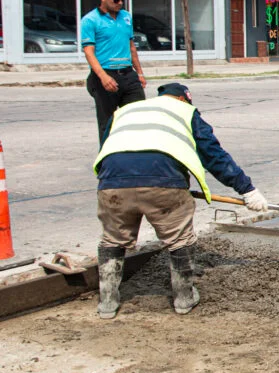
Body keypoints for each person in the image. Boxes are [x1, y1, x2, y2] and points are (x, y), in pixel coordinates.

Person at [92, 83, 268, 319]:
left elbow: (107, 149)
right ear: (184, 99)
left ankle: (107, 303)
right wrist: (247, 189)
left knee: (113, 240)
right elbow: (214, 156)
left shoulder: (124, 111)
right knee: (179, 239)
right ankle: (184, 298)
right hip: (164, 185)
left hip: (112, 185)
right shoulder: (186, 112)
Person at [81, 0, 146, 145]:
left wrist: (139, 73)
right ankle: (107, 165)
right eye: (115, 0)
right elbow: (89, 52)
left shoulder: (126, 17)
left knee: (137, 118)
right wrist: (103, 77)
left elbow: (131, 46)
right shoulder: (90, 20)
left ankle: (135, 159)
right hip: (105, 76)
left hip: (128, 74)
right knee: (108, 124)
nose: (120, 3)